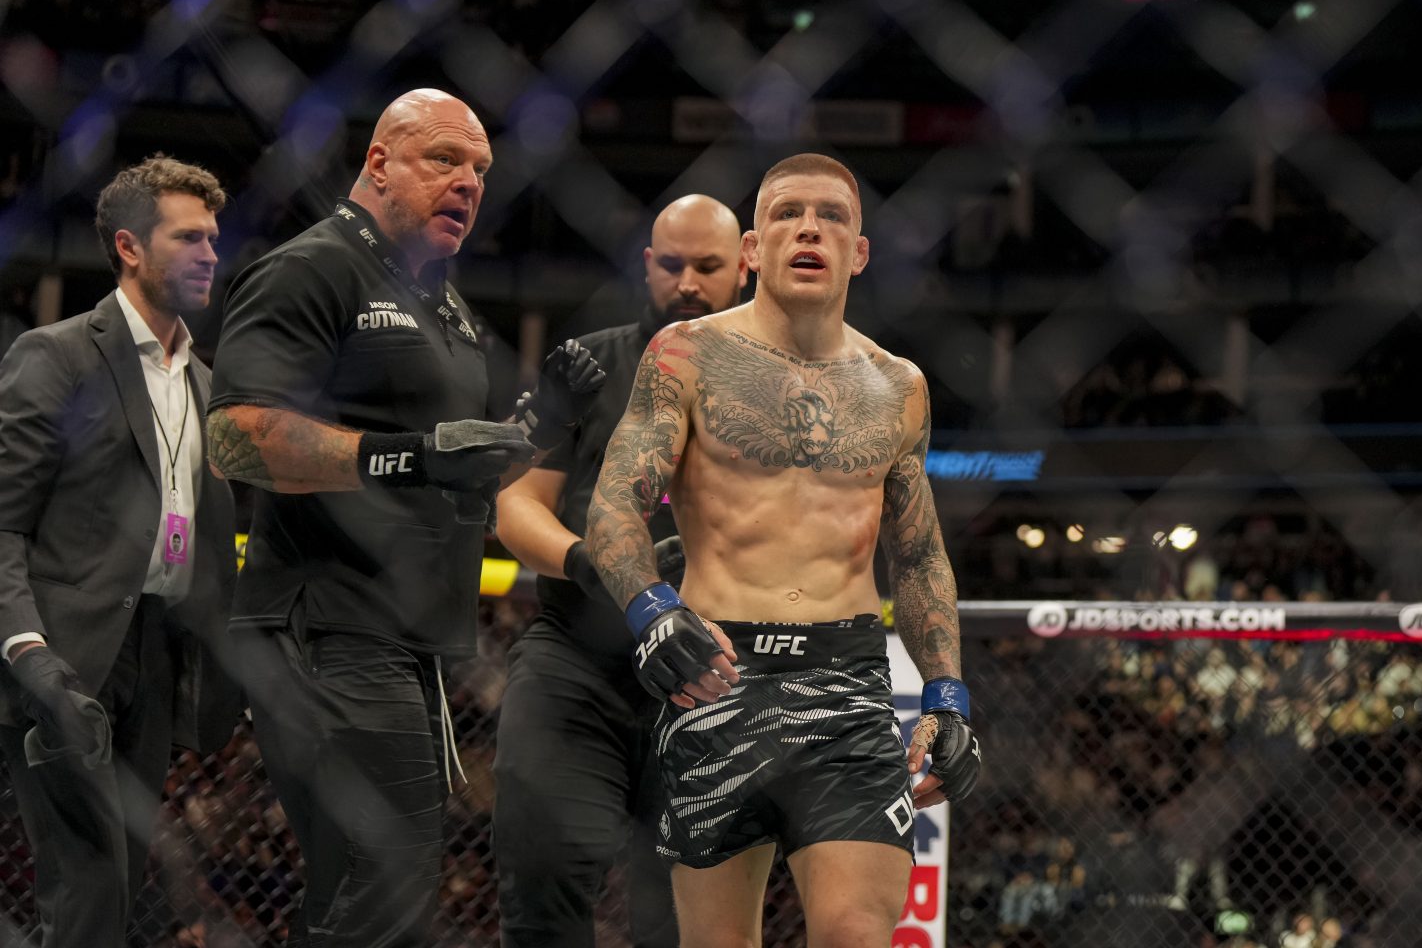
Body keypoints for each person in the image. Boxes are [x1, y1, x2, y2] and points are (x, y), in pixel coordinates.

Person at [206, 89, 602, 947]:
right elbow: (233, 439)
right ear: (379, 162)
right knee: (388, 879)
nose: (468, 183)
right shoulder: (311, 270)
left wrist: (545, 422)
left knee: (360, 886)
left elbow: (456, 466)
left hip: (410, 638)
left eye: (482, 171)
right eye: (444, 161)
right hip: (326, 627)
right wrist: (407, 454)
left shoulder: (447, 307)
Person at [584, 152, 983, 947]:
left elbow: (920, 553)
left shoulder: (898, 385)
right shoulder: (685, 355)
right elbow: (613, 507)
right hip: (717, 675)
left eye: (832, 215)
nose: (809, 227)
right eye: (787, 213)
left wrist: (947, 694)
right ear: (753, 251)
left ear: (859, 252)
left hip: (848, 685)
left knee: (855, 935)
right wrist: (653, 608)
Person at [493, 193, 747, 947]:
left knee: (683, 921)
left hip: (714, 675)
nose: (689, 283)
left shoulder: (781, 388)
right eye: (672, 265)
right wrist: (591, 561)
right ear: (647, 266)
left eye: (708, 266)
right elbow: (516, 508)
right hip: (578, 655)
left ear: (745, 267)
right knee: (540, 886)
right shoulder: (591, 365)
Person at [0, 154, 240, 946]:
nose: (211, 252)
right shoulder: (60, 355)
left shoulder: (206, 385)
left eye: (214, 236)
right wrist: (29, 652)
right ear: (130, 247)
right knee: (89, 889)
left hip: (158, 655)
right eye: (189, 237)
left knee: (115, 885)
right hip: (60, 658)